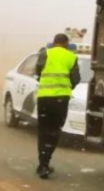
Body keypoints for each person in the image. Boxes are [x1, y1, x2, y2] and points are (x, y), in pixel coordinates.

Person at [34, 33, 80, 179]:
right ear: (66, 43)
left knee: (43, 131)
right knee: (54, 131)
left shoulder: (45, 53)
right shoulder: (71, 57)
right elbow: (76, 79)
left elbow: (38, 71)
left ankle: (42, 164)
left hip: (44, 98)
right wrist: (67, 87)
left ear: (54, 42)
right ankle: (46, 162)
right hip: (61, 99)